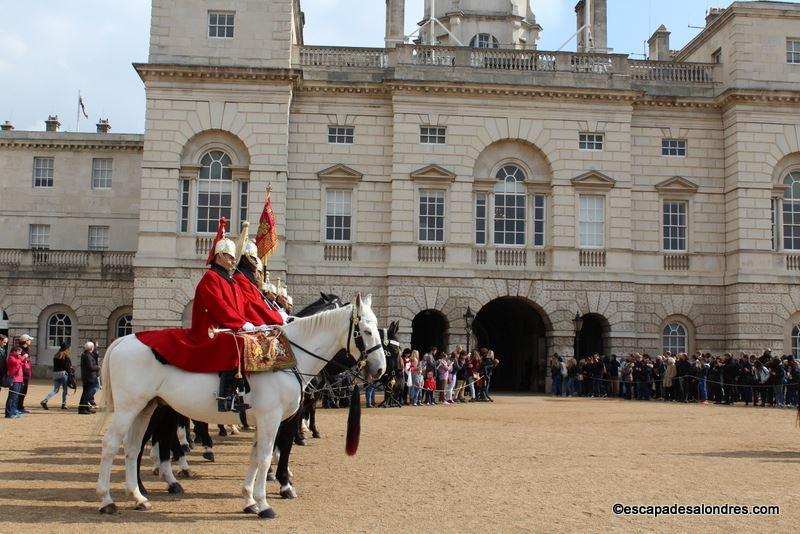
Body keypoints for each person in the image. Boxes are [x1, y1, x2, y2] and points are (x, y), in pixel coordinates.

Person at [136, 225, 258, 413]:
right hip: (208, 331)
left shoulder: (230, 281)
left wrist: (257, 323)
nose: (234, 261)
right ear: (219, 257)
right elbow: (219, 307)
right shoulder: (211, 278)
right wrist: (241, 324)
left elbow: (243, 307)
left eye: (234, 257)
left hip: (227, 327)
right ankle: (226, 396)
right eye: (230, 257)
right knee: (234, 343)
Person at [40, 342, 72, 410]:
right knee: (65, 389)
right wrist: (70, 374)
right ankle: (64, 404)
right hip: (63, 374)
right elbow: (68, 367)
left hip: (55, 373)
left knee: (55, 390)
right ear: (66, 349)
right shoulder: (65, 356)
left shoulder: (56, 355)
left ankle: (45, 400)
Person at [78, 341, 100, 414]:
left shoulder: (87, 354)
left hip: (88, 377)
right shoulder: (87, 356)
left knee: (85, 393)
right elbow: (91, 367)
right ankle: (82, 409)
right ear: (91, 348)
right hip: (89, 377)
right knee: (86, 394)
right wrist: (98, 367)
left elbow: (95, 355)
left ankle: (85, 407)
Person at [4, 347, 24, 418]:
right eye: (18, 351)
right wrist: (22, 358)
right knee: (12, 397)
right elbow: (16, 363)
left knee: (16, 397)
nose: (20, 353)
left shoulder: (18, 357)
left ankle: (13, 412)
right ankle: (8, 413)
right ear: (14, 351)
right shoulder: (11, 357)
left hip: (19, 379)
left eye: (20, 351)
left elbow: (21, 364)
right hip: (14, 379)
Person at [16, 334, 34, 414]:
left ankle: (20, 406)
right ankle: (16, 407)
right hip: (21, 374)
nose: (30, 341)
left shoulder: (27, 349)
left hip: (26, 374)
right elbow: (17, 361)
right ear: (26, 341)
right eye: (29, 340)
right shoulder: (19, 350)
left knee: (24, 392)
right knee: (19, 392)